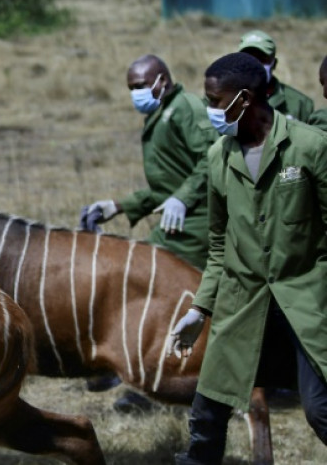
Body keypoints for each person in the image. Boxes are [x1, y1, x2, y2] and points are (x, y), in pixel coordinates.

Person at [172, 52, 327, 465]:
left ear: (245, 99)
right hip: (243, 302)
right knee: (208, 411)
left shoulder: (310, 147)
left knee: (319, 410)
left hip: (306, 302)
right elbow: (219, 244)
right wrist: (199, 308)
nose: (209, 111)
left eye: (214, 100)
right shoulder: (218, 157)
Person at [80, 54, 218, 270]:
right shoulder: (161, 115)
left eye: (140, 86)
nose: (136, 94)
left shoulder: (185, 107)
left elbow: (212, 158)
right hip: (182, 219)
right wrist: (117, 206)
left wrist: (182, 198)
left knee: (142, 268)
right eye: (131, 89)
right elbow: (166, 187)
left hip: (201, 220)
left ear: (162, 81)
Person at [237, 29, 321, 129]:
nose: (254, 64)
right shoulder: (225, 99)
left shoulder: (300, 104)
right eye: (248, 58)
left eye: (262, 59)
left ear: (274, 64)